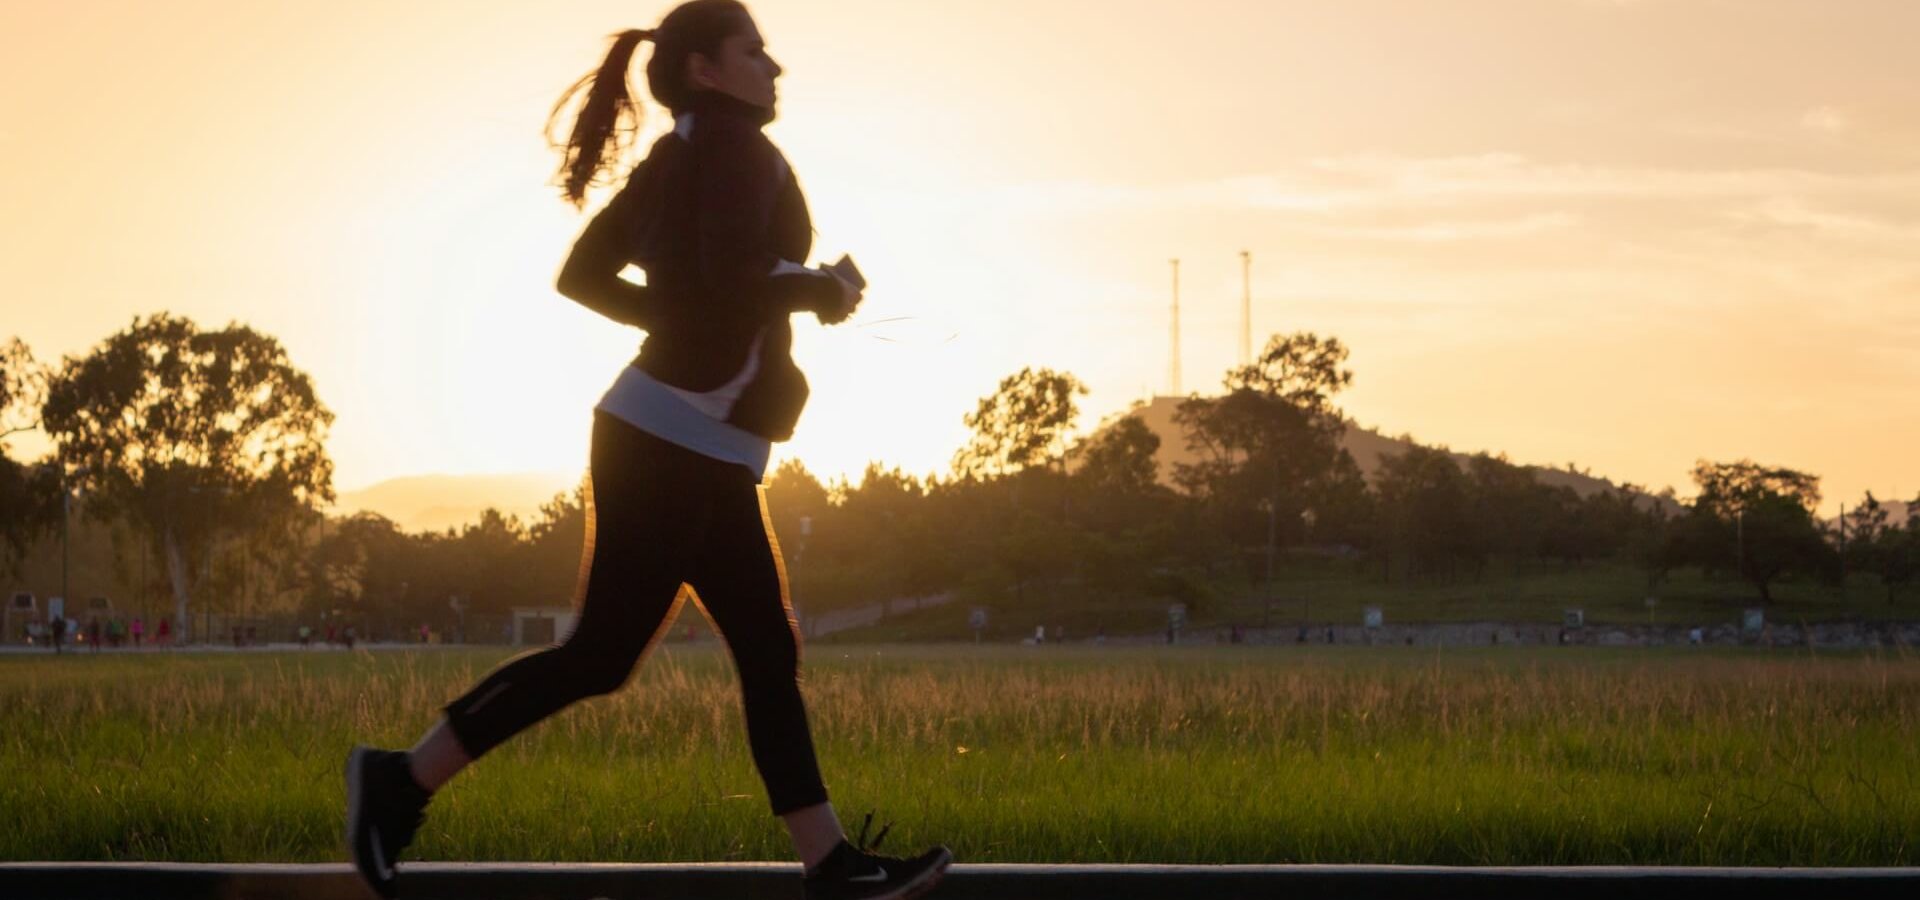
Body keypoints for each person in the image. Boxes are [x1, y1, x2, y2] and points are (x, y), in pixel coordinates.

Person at [343, 6, 948, 900]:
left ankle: (828, 860)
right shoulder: (738, 153)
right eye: (754, 52)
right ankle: (397, 780)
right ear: (706, 69)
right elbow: (734, 270)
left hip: (684, 439)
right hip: (671, 440)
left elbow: (586, 274)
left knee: (761, 645)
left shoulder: (679, 157)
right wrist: (822, 287)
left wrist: (684, 317)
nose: (774, 67)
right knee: (605, 654)